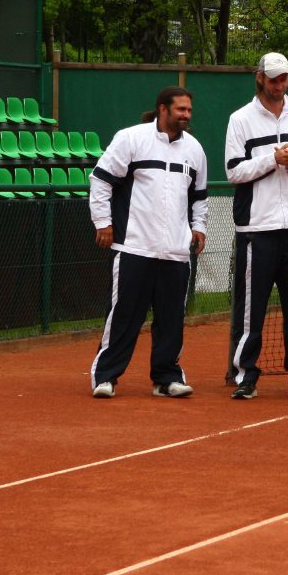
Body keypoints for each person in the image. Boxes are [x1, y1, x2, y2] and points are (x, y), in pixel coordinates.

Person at [87, 86, 208, 399]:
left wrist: (199, 227)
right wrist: (104, 223)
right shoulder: (130, 138)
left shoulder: (194, 149)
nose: (186, 115)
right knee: (124, 315)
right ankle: (106, 377)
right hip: (133, 248)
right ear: (162, 109)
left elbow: (199, 196)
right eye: (181, 109)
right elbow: (100, 181)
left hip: (176, 253)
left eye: (189, 110)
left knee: (172, 319)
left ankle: (167, 379)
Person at [225, 52, 288, 400]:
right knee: (252, 308)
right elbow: (233, 171)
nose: (279, 85)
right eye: (273, 79)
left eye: (284, 79)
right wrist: (271, 160)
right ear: (260, 78)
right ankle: (245, 375)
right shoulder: (240, 119)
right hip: (256, 228)